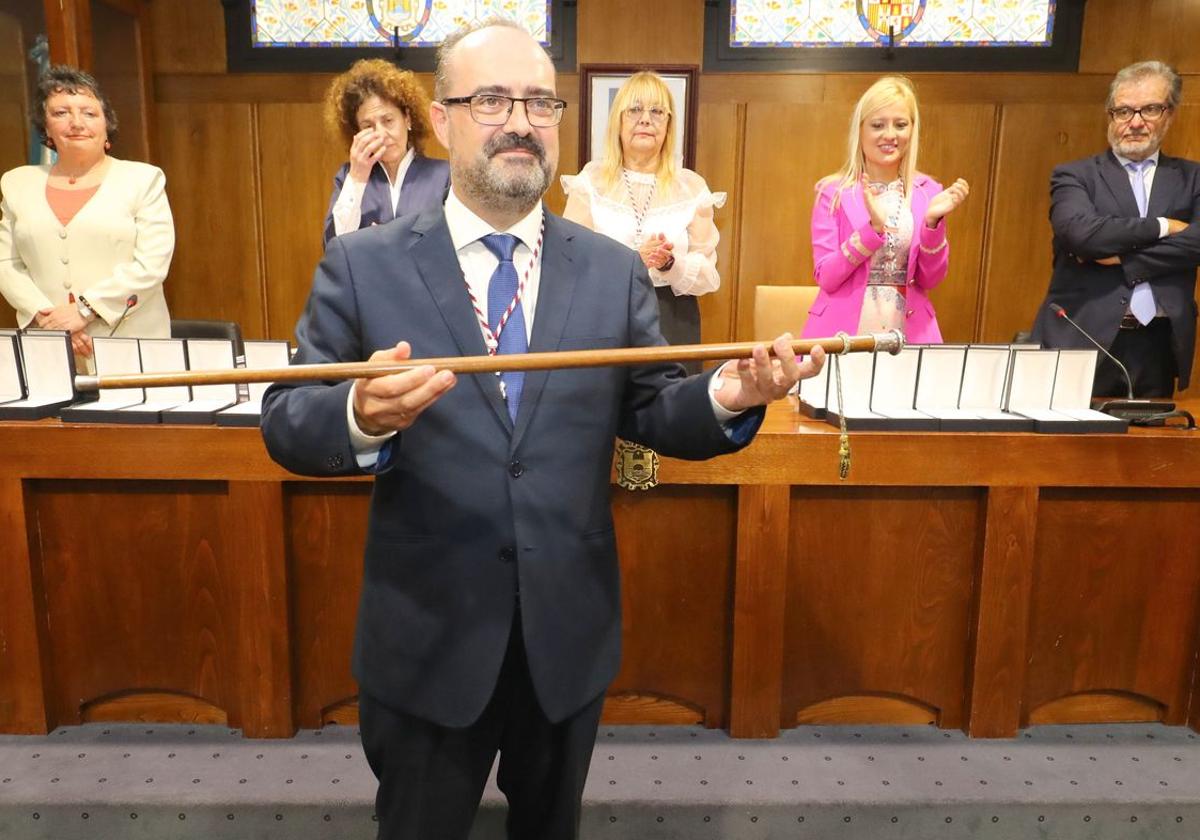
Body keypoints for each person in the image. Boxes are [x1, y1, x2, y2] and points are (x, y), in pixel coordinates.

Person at [261, 18, 823, 840]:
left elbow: (656, 406)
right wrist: (357, 413)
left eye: (539, 102)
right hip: (428, 632)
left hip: (566, 631)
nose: (520, 121)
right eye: (491, 99)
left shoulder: (610, 268)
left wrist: (733, 392)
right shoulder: (364, 264)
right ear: (443, 120)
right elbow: (286, 421)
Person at [1031, 60, 1200, 398]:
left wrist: (1124, 260)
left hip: (1158, 343)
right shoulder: (1075, 175)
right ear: (1110, 115)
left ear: (1169, 114)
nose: (1135, 122)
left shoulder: (1192, 177)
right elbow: (1082, 235)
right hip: (1081, 336)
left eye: (1149, 109)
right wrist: (1164, 226)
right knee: (1066, 449)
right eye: (1123, 111)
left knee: (1151, 448)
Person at [0, 65, 174, 364]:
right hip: (48, 347)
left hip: (131, 346)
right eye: (61, 113)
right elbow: (7, 263)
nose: (76, 123)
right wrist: (52, 321)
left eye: (89, 113)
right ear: (46, 127)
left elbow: (151, 265)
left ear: (107, 125)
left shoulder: (143, 179)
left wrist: (83, 311)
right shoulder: (17, 183)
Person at [562, 71, 723, 372]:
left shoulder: (691, 187)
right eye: (635, 110)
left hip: (673, 319)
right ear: (618, 122)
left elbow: (708, 276)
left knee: (671, 412)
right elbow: (571, 264)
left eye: (657, 111)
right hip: (604, 315)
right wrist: (634, 262)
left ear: (669, 125)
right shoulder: (589, 182)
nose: (646, 120)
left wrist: (669, 264)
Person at [801, 75, 968, 343]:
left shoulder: (929, 192)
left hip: (910, 335)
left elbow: (930, 279)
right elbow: (827, 277)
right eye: (878, 125)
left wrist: (932, 224)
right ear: (861, 130)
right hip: (841, 335)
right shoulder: (832, 192)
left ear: (912, 130)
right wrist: (871, 232)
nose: (890, 135)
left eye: (900, 125)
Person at [322, 58, 450, 244]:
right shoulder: (347, 177)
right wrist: (357, 178)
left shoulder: (444, 175)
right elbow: (333, 244)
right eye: (368, 126)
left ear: (407, 118)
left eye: (388, 121)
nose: (380, 134)